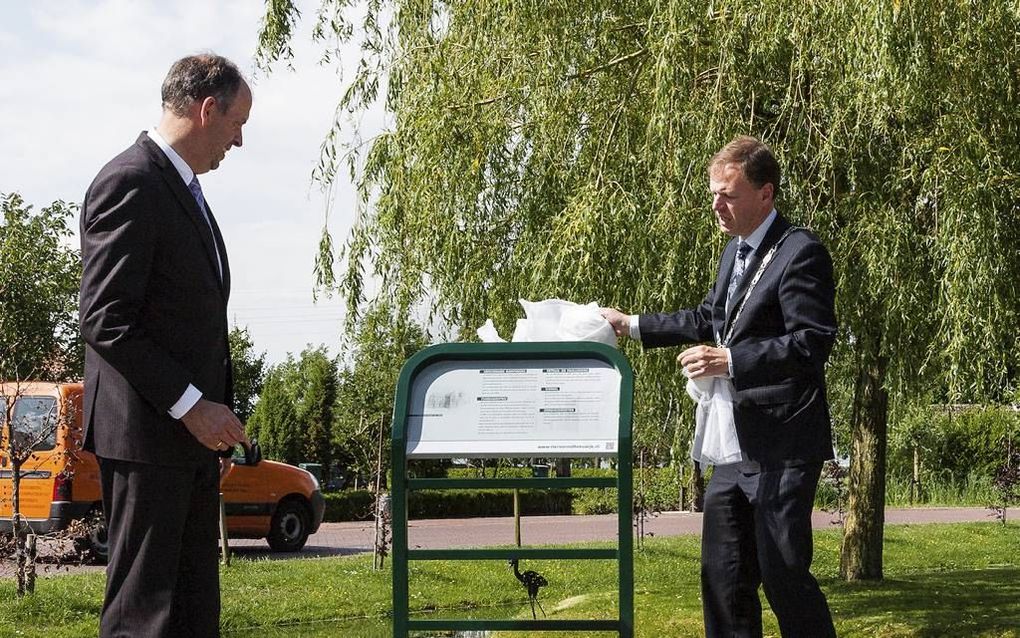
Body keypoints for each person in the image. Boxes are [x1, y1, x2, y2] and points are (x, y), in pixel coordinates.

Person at [602, 136, 837, 637]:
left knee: (783, 575)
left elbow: (811, 343)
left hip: (783, 445)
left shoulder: (801, 252)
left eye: (727, 194)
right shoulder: (734, 253)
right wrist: (634, 324)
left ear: (765, 194)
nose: (716, 206)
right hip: (734, 448)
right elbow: (710, 317)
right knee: (723, 578)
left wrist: (730, 360)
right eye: (713, 194)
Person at [79, 53, 252, 637]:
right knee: (144, 616)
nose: (240, 141)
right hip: (149, 437)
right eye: (237, 124)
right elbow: (106, 319)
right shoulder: (130, 180)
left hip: (189, 444)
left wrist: (213, 429)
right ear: (208, 110)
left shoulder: (182, 189)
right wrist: (192, 407)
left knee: (189, 613)